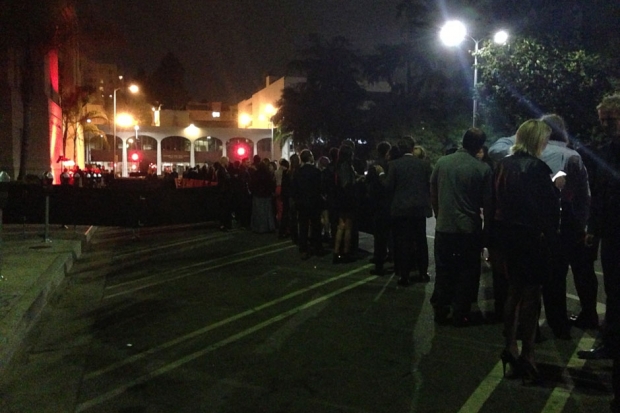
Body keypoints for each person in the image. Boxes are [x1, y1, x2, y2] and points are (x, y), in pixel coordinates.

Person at [489, 114, 593, 339]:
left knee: (515, 290)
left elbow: (495, 198)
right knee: (547, 283)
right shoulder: (564, 158)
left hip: (511, 229)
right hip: (543, 229)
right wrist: (580, 224)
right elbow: (576, 198)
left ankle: (515, 340)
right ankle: (548, 332)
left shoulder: (507, 161)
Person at [491, 120, 560, 383]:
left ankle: (510, 345)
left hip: (508, 235)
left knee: (513, 291)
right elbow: (549, 210)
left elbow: (494, 201)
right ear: (537, 140)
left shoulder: (503, 166)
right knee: (532, 295)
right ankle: (528, 354)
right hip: (532, 237)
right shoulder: (538, 168)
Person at [577, 93, 620, 412]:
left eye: (611, 119)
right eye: (603, 119)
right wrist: (593, 227)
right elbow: (601, 195)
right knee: (614, 292)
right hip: (612, 236)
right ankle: (610, 342)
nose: (605, 125)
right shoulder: (607, 151)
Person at [430, 128, 493, 327]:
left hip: (445, 227)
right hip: (468, 229)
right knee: (467, 272)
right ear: (479, 146)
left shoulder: (442, 163)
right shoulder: (482, 169)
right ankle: (461, 312)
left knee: (444, 270)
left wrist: (439, 214)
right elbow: (488, 204)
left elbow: (433, 191)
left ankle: (441, 308)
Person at [380, 136, 432, 286]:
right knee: (421, 241)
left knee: (403, 242)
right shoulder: (424, 165)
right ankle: (423, 272)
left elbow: (388, 186)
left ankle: (404, 275)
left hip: (401, 209)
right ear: (412, 147)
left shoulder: (395, 165)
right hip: (419, 208)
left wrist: (381, 174)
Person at [292, 150, 324, 260]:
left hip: (302, 203)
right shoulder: (316, 171)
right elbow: (320, 187)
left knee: (303, 227)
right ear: (310, 157)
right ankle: (317, 247)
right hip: (314, 202)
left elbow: (294, 189)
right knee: (316, 225)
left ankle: (304, 249)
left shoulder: (298, 172)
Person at [366, 141, 392, 275]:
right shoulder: (389, 165)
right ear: (387, 152)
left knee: (379, 235)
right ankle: (387, 258)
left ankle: (379, 260)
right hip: (387, 203)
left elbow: (368, 182)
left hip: (376, 203)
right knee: (387, 234)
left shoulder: (374, 166)